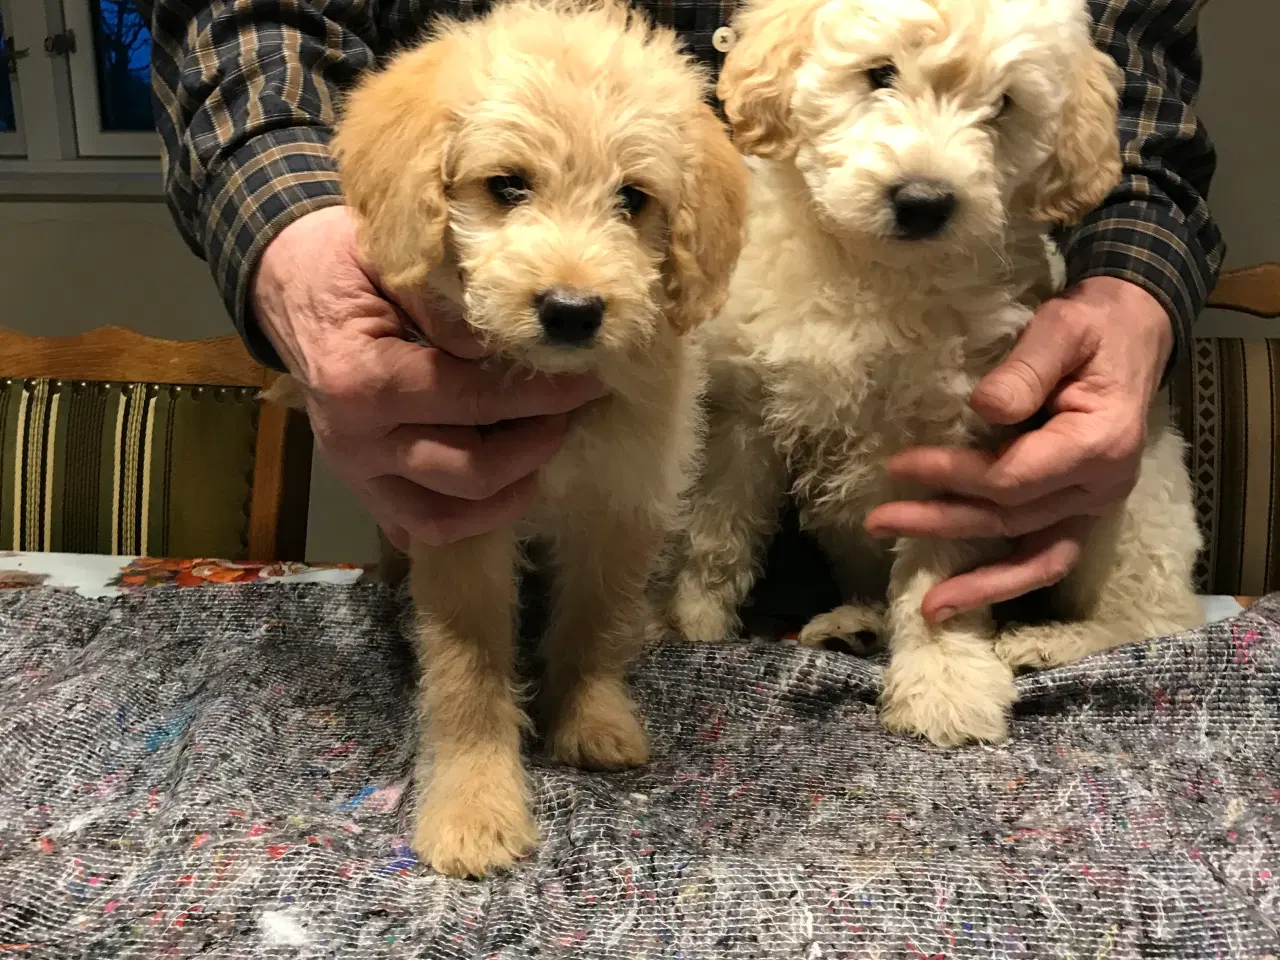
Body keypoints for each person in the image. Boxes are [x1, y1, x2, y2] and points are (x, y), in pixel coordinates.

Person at [138, 0, 1223, 618]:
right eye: (884, 78)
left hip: (963, 573)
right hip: (471, 456)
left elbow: (1134, 108)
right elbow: (249, 30)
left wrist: (1125, 287)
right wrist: (297, 241)